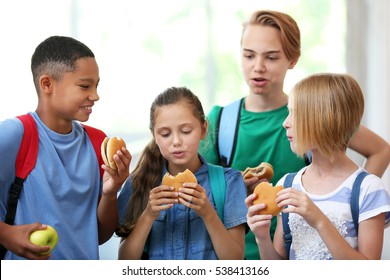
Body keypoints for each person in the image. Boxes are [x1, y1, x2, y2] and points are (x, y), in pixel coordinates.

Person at [199, 9, 390, 260]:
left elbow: (380, 150)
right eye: (248, 55)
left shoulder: (315, 118)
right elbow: (202, 192)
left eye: (271, 57)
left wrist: (352, 205)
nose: (258, 67)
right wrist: (234, 190)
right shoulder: (219, 121)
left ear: (292, 59)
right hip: (236, 257)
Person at [0, 35, 132, 260]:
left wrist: (110, 193)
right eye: (84, 86)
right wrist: (6, 234)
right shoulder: (15, 134)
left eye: (96, 85)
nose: (95, 95)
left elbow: (98, 235)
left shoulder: (98, 143)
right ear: (47, 84)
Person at [246, 73, 390, 260]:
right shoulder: (287, 184)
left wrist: (320, 221)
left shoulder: (368, 189)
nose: (285, 123)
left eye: (294, 113)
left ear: (325, 119)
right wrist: (262, 237)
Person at [116, 87, 247, 260]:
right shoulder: (139, 182)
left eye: (186, 131)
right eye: (165, 134)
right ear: (154, 135)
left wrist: (208, 213)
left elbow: (235, 261)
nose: (176, 141)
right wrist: (148, 215)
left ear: (203, 129)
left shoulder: (230, 182)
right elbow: (124, 261)